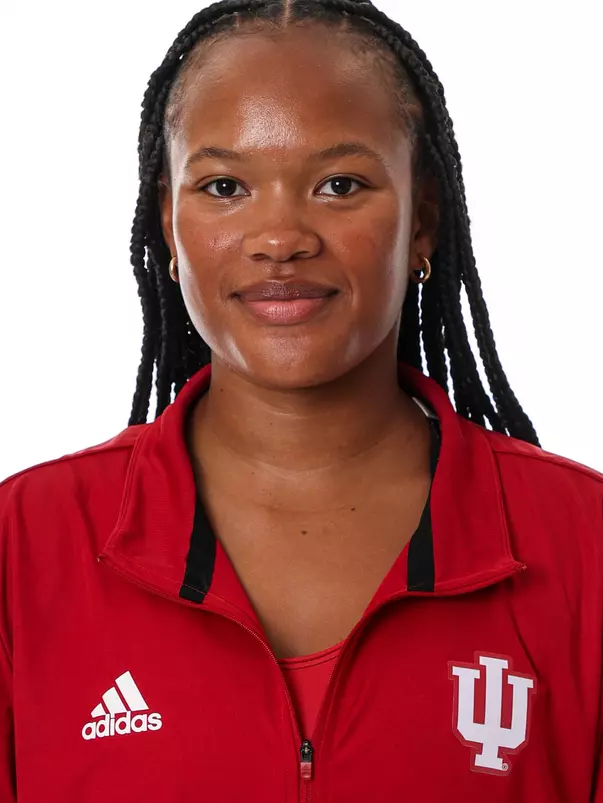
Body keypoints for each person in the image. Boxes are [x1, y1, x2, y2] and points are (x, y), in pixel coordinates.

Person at [0, 0, 601, 800]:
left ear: (422, 219)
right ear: (168, 224)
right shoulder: (23, 545)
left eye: (339, 183)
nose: (280, 235)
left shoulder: (583, 545)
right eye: (223, 185)